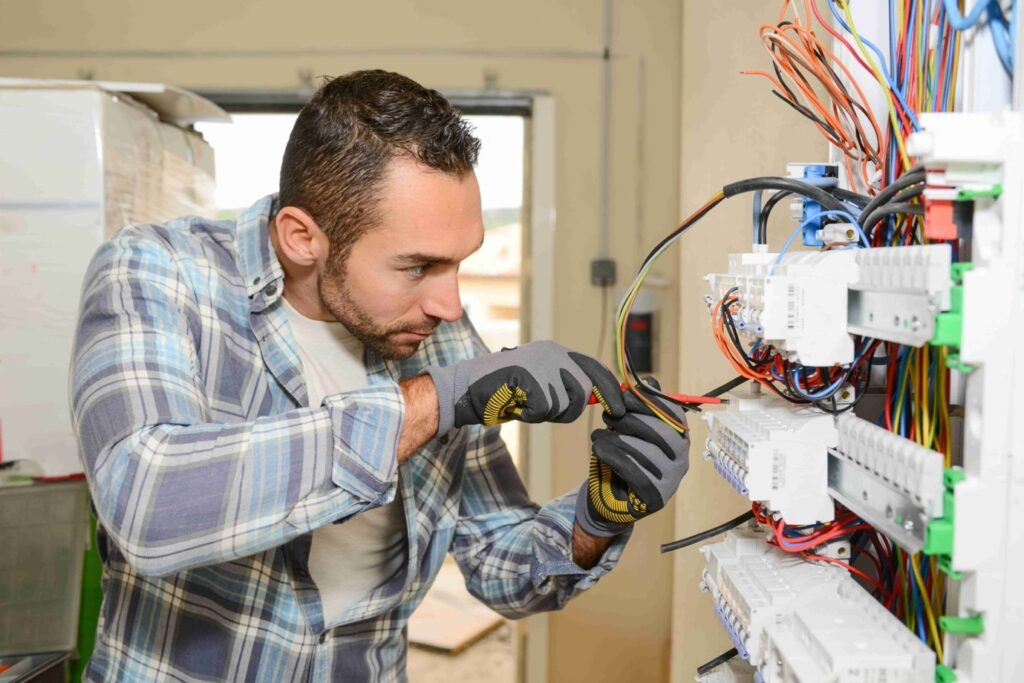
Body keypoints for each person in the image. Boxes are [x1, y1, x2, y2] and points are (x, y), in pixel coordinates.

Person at [70, 69, 689, 682]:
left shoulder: (437, 334)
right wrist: (433, 402)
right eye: (418, 266)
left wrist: (598, 517)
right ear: (301, 237)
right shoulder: (158, 273)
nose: (450, 306)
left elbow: (501, 566)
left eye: (458, 264)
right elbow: (145, 502)